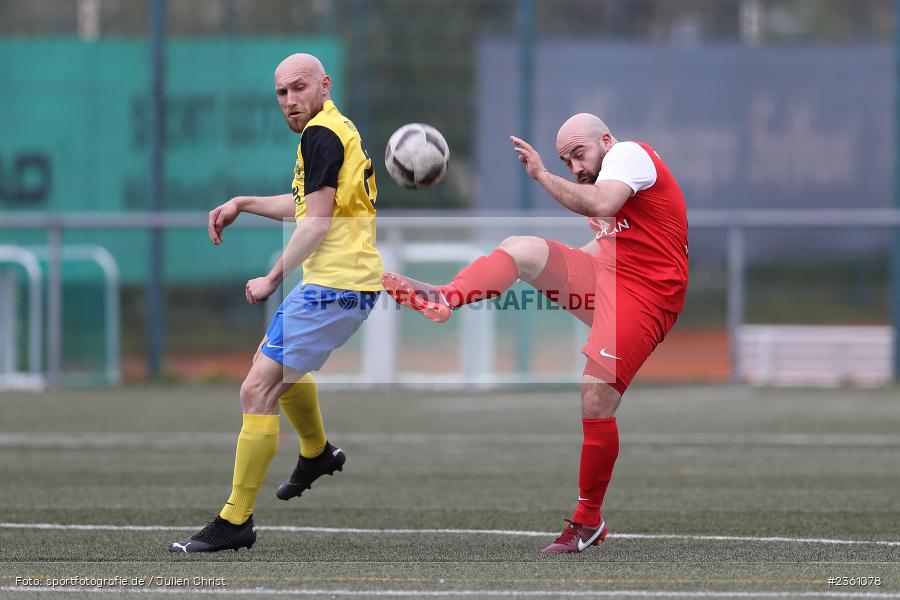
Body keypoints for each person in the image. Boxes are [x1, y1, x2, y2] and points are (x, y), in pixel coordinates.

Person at [382, 113, 688, 554]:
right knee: (521, 248)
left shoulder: (628, 154)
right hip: (611, 278)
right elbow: (608, 242)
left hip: (647, 297)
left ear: (605, 139)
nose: (576, 168)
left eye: (579, 155)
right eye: (566, 162)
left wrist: (543, 175)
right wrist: (559, 269)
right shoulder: (607, 173)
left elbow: (601, 204)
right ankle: (446, 296)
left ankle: (588, 521)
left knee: (595, 396)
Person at [169, 53, 382, 553]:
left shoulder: (321, 134)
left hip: (334, 285)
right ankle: (316, 452)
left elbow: (317, 222)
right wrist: (242, 203)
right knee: (277, 373)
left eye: (299, 88)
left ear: (324, 85)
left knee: (256, 389)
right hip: (346, 284)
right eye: (282, 93)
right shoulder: (335, 129)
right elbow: (306, 205)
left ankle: (235, 519)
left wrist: (271, 278)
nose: (289, 100)